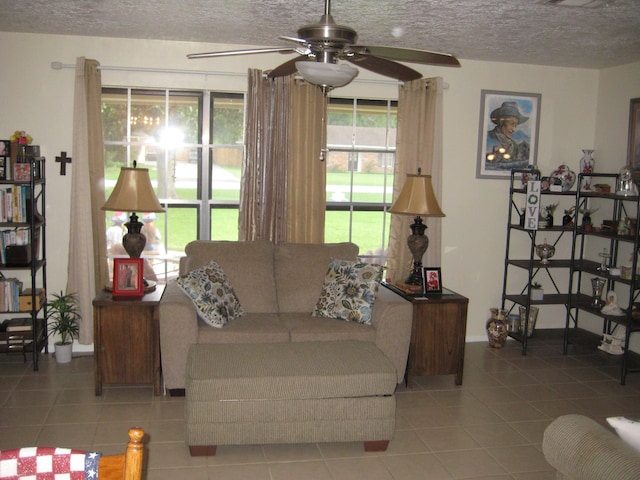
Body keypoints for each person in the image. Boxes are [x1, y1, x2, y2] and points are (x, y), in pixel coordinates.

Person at [486, 101, 531, 167]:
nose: (513, 129)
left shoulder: (514, 145)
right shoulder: (487, 137)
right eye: (512, 124)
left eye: (516, 125)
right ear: (501, 122)